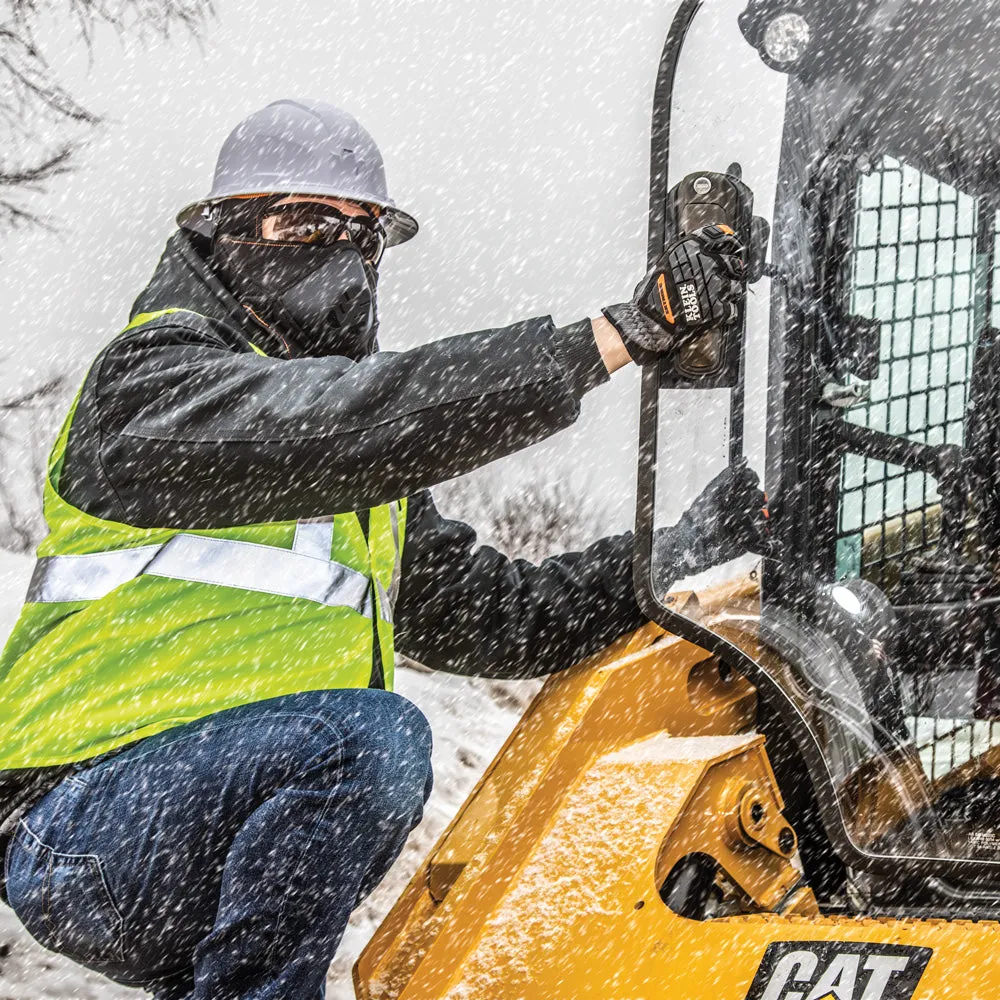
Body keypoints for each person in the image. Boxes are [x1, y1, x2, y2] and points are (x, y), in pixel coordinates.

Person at [0, 99, 764, 999]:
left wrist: (685, 548)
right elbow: (338, 422)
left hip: (228, 825)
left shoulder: (366, 483)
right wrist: (610, 339)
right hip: (80, 822)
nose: (341, 253)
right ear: (223, 236)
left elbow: (505, 617)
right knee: (367, 742)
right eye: (305, 223)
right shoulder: (151, 388)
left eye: (363, 236)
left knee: (352, 753)